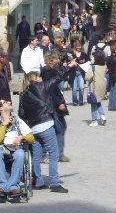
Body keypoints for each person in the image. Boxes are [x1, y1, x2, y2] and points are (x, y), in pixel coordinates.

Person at [18, 60, 78, 193]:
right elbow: (58, 77)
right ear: (34, 79)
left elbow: (21, 114)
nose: (41, 77)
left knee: (37, 156)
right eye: (38, 76)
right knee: (54, 154)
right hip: (45, 125)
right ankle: (55, 183)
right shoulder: (42, 86)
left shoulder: (23, 95)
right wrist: (68, 66)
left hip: (33, 128)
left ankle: (38, 181)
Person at [0, 99, 35, 195]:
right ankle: (1, 185)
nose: (9, 101)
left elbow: (32, 138)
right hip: (0, 148)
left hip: (15, 148)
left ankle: (13, 186)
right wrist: (4, 125)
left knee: (21, 154)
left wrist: (22, 137)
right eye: (5, 102)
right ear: (0, 108)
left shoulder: (17, 120)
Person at [40, 53, 70, 162]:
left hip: (52, 102)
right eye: (56, 58)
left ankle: (57, 153)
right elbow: (52, 90)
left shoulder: (50, 70)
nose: (58, 60)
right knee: (56, 128)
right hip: (51, 104)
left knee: (59, 127)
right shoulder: (48, 72)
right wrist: (59, 103)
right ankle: (51, 154)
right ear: (50, 61)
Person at [86, 46, 107, 127]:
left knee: (93, 104)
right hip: (102, 86)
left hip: (94, 87)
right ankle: (102, 116)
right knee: (98, 102)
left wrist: (91, 63)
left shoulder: (93, 67)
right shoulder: (104, 65)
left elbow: (87, 77)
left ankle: (94, 120)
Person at [70, 41, 88, 106]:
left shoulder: (84, 54)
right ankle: (75, 101)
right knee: (74, 89)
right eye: (77, 46)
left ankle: (81, 101)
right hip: (74, 73)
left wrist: (83, 63)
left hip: (81, 73)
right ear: (75, 47)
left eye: (80, 46)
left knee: (81, 88)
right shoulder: (72, 54)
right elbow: (69, 62)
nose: (79, 47)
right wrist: (72, 63)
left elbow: (88, 62)